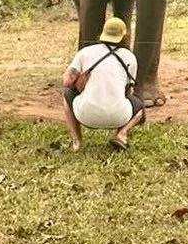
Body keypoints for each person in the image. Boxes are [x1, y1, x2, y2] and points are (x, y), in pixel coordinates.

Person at [62, 17, 145, 152]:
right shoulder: (129, 57)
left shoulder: (85, 52)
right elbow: (129, 91)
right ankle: (121, 134)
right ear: (124, 36)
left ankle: (76, 140)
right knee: (139, 106)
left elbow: (66, 82)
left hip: (85, 115)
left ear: (103, 33)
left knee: (66, 93)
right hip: (119, 116)